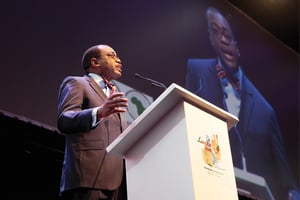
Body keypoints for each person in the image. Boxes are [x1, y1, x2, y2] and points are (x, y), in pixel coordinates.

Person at [185, 6, 299, 200]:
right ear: (211, 39)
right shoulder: (197, 71)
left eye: (227, 35)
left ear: (238, 46)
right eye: (216, 32)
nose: (222, 39)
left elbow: (286, 178)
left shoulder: (265, 110)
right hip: (208, 185)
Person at [56, 44, 129, 200]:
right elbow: (64, 120)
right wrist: (99, 112)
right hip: (89, 176)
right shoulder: (77, 83)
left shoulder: (115, 92)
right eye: (112, 55)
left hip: (118, 181)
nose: (119, 60)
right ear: (95, 62)